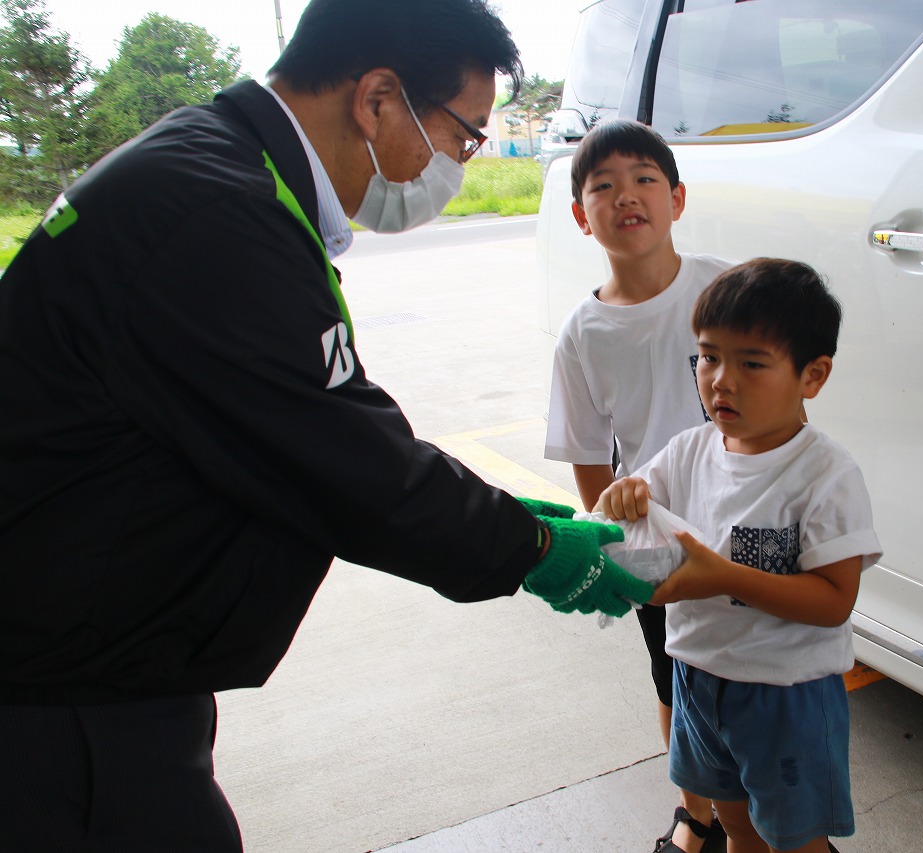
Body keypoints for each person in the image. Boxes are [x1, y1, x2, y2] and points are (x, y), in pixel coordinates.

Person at [0, 0, 652, 848]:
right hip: (61, 692)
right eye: (463, 135)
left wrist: (517, 523)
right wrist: (528, 548)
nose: (457, 161)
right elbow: (349, 462)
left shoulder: (207, 164)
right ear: (378, 98)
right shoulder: (215, 215)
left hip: (80, 654)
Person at [596, 259, 882, 853]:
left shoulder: (825, 475)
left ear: (813, 375)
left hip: (787, 695)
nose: (721, 380)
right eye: (707, 356)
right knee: (738, 826)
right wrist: (623, 494)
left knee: (796, 840)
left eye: (751, 363)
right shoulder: (688, 450)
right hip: (699, 680)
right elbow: (636, 508)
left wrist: (721, 577)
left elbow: (834, 602)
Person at [542, 119, 735, 852]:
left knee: (759, 671)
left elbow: (784, 402)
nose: (626, 195)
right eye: (602, 186)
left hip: (742, 522)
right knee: (675, 679)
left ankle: (771, 816)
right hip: (657, 544)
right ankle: (699, 815)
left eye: (644, 179)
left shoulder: (724, 286)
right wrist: (611, 536)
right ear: (579, 214)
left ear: (678, 198)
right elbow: (590, 458)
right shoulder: (583, 333)